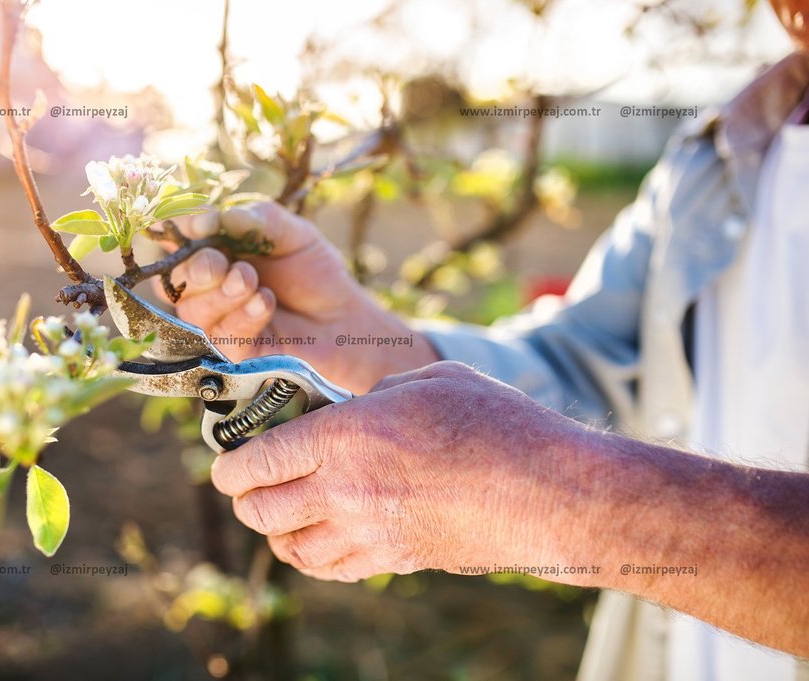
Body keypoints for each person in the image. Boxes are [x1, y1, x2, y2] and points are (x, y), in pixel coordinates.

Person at [164, 0, 809, 678]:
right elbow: (581, 366)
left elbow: (562, 467)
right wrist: (355, 335)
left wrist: (558, 497)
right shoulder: (723, 151)